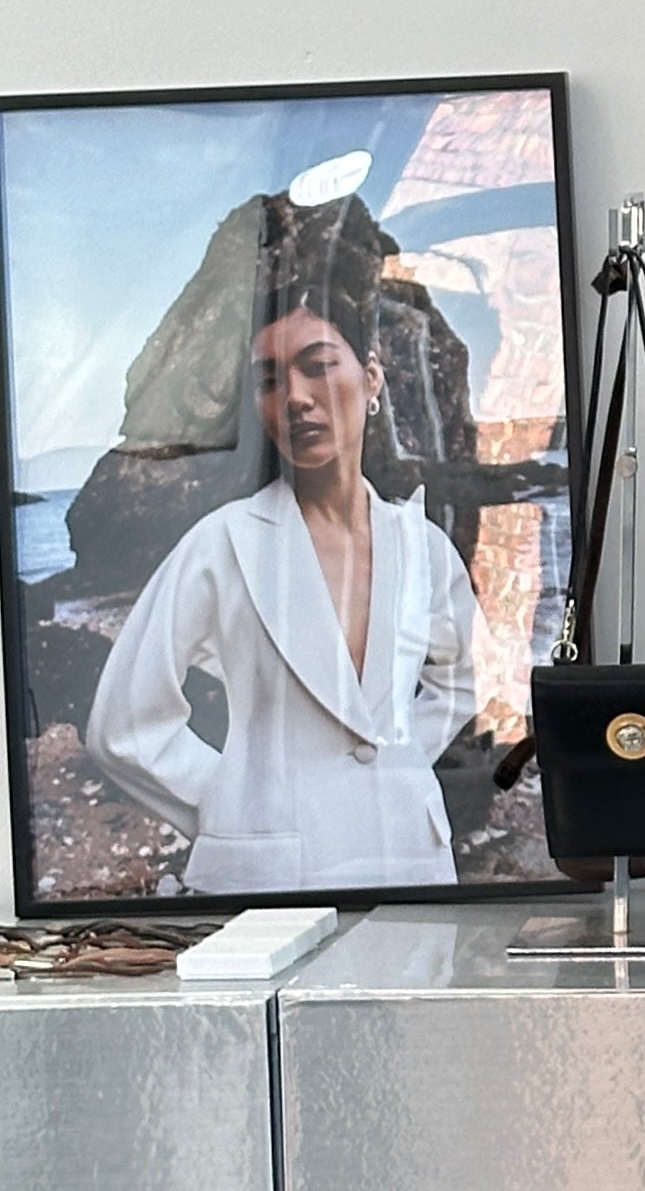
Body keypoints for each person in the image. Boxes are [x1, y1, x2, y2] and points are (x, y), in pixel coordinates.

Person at [86, 194, 480, 891]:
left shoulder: (422, 549)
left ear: (372, 377)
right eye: (269, 379)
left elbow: (461, 681)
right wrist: (233, 799)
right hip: (268, 875)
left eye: (318, 364)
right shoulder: (222, 546)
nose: (294, 396)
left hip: (409, 857)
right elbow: (124, 723)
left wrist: (396, 767)